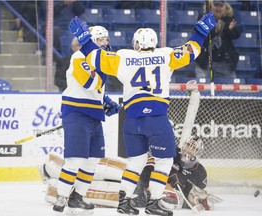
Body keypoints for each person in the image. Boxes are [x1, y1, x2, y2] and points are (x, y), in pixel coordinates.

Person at [69, 12, 216, 216]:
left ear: (136, 43)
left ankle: (124, 202)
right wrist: (201, 31)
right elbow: (191, 51)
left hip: (132, 121)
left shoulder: (123, 57)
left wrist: (84, 38)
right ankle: (154, 203)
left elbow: (96, 57)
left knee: (135, 163)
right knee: (164, 162)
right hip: (156, 119)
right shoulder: (165, 55)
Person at [40, 136, 220, 211]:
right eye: (188, 145)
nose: (189, 149)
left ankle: (55, 188)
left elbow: (189, 198)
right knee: (100, 168)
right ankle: (53, 167)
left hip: (144, 195)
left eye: (193, 147)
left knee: (100, 190)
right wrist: (149, 180)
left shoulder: (200, 173)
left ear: (199, 152)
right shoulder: (173, 153)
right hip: (137, 174)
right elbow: (150, 164)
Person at [52, 25, 121, 215]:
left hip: (93, 114)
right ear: (91, 41)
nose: (106, 42)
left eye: (107, 39)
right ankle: (62, 197)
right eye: (101, 39)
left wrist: (105, 101)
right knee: (74, 160)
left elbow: (97, 90)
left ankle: (77, 198)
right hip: (77, 112)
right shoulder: (79, 57)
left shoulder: (101, 59)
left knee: (93, 160)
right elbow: (91, 82)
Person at [194, 0, 241, 78]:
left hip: (225, 63)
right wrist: (214, 31)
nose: (218, 8)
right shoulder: (203, 19)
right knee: (204, 88)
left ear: (225, 7)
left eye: (221, 6)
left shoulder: (229, 19)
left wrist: (230, 29)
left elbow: (237, 34)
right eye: (216, 5)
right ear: (211, 6)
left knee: (230, 88)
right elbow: (202, 38)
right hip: (205, 62)